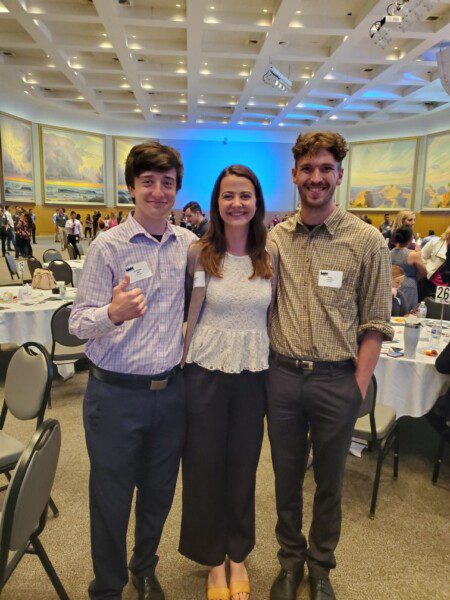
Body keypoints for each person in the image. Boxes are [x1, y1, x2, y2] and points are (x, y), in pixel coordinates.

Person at [267, 131, 393, 600]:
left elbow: (375, 323)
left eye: (325, 169)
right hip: (280, 377)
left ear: (339, 175)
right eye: (307, 169)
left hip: (336, 380)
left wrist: (356, 389)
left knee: (329, 484)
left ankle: (321, 567)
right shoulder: (275, 239)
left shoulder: (367, 242)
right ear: (294, 174)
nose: (315, 178)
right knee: (284, 478)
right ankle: (289, 561)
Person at [69, 141, 197, 600]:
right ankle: (108, 585)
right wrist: (113, 313)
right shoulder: (108, 246)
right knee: (111, 497)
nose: (159, 192)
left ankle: (144, 566)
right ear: (131, 188)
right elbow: (76, 321)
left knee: (159, 493)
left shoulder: (189, 245)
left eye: (167, 184)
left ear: (177, 190)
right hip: (115, 396)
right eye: (148, 183)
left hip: (171, 393)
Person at [179, 165, 278, 600]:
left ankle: (237, 554)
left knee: (242, 467)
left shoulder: (271, 256)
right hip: (205, 374)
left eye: (245, 195)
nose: (236, 204)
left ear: (257, 202)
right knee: (203, 468)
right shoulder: (199, 254)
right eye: (227, 196)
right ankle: (213, 561)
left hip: (253, 375)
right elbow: (185, 312)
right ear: (216, 204)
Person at [390, 225, 427, 312]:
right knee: (407, 313)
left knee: (395, 312)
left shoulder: (390, 252)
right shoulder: (413, 254)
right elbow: (424, 272)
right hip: (409, 286)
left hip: (392, 285)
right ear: (411, 239)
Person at [420, 226, 450, 298]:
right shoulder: (436, 241)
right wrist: (425, 270)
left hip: (447, 287)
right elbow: (422, 256)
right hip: (428, 282)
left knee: (443, 308)